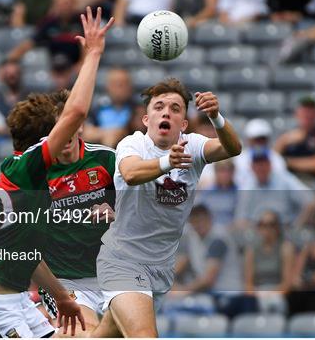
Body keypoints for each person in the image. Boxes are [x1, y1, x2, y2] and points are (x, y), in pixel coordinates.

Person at [0, 6, 114, 338]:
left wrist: (61, 297)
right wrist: (93, 55)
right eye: (59, 132)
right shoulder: (29, 167)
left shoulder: (24, 176)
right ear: (47, 138)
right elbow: (75, 111)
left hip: (19, 303)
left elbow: (22, 251)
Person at [91, 80, 242, 337]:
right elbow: (130, 173)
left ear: (183, 123)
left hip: (161, 266)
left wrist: (216, 117)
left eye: (175, 108)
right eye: (159, 107)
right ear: (146, 119)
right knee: (145, 335)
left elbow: (233, 148)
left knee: (106, 335)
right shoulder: (133, 144)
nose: (166, 112)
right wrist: (166, 162)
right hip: (123, 260)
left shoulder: (192, 146)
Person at [172, 205, 249, 318]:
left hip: (229, 294)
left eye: (202, 220)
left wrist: (182, 291)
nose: (199, 224)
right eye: (195, 221)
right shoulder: (192, 236)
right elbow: (181, 262)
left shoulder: (219, 237)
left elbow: (208, 280)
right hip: (211, 294)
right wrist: (170, 284)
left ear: (210, 219)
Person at [234, 147, 315, 229]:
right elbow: (240, 219)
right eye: (257, 164)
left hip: (285, 232)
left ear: (270, 164)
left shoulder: (284, 179)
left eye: (263, 163)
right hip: (258, 235)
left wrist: (296, 227)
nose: (261, 167)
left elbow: (311, 202)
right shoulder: (247, 186)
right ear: (252, 167)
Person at [8, 0, 81, 70]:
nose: (64, 5)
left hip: (77, 66)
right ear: (55, 4)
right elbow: (30, 42)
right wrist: (10, 60)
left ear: (74, 3)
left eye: (67, 2)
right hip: (53, 67)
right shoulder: (48, 22)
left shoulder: (82, 21)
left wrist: (82, 63)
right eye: (60, 2)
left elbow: (88, 46)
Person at [244, 210, 294, 313]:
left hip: (277, 292)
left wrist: (270, 294)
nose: (267, 229)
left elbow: (287, 283)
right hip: (257, 291)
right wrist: (259, 294)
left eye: (271, 224)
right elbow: (248, 283)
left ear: (277, 227)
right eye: (262, 224)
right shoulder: (252, 250)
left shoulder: (285, 248)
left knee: (274, 304)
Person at [274, 96, 315, 181]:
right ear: (297, 113)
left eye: (311, 110)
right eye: (304, 110)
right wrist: (283, 141)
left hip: (313, 181)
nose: (308, 114)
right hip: (288, 181)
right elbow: (273, 159)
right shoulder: (287, 135)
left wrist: (287, 162)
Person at [83, 67, 136, 148]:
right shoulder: (98, 108)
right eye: (114, 84)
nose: (118, 88)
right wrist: (107, 134)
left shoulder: (137, 110)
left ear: (130, 87)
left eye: (122, 84)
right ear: (107, 86)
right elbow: (86, 132)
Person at [234, 118, 287, 187]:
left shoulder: (277, 159)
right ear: (249, 140)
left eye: (262, 139)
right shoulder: (239, 160)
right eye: (255, 139)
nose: (258, 143)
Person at [195, 159, 238, 227]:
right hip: (210, 232)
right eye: (221, 171)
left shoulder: (239, 193)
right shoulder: (207, 193)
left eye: (228, 170)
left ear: (233, 172)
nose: (225, 174)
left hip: (232, 231)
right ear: (216, 172)